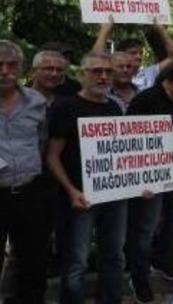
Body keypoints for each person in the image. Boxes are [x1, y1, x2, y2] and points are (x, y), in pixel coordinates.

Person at [45, 52, 126, 304]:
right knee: (76, 261)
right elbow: (51, 156)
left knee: (114, 255)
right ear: (82, 75)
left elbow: (124, 152)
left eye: (108, 71)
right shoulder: (65, 107)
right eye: (96, 71)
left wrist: (141, 183)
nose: (103, 76)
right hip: (79, 198)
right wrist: (71, 191)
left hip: (114, 195)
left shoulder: (114, 107)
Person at [126, 62, 173, 302]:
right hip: (151, 174)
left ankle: (162, 259)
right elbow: (130, 139)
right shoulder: (145, 101)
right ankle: (139, 276)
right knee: (146, 226)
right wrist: (140, 179)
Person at [0, 40, 54, 304]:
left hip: (29, 192)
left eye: (11, 65)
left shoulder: (36, 102)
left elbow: (42, 142)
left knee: (33, 260)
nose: (5, 71)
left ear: (21, 69)